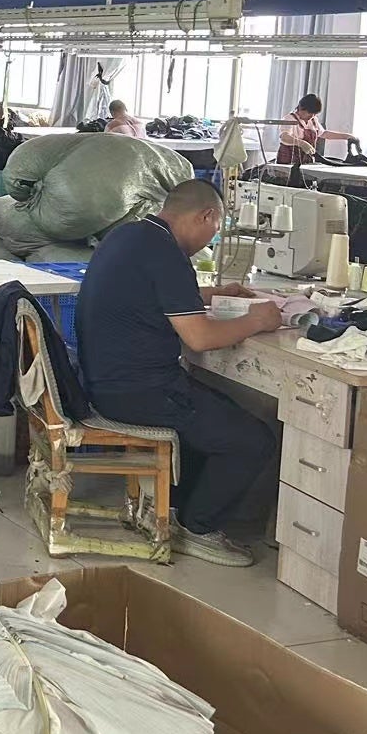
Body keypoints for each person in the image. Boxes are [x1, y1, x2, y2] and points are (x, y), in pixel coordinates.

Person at [74, 179, 282, 566]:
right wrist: (258, 319)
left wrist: (213, 294)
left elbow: (150, 294)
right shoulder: (165, 253)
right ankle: (198, 528)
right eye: (214, 229)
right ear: (206, 215)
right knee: (253, 440)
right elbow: (200, 338)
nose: (210, 239)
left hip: (105, 381)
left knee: (219, 413)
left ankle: (179, 514)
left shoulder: (131, 236)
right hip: (138, 392)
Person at [277, 93, 352, 165]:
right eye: (310, 113)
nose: (312, 116)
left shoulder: (313, 120)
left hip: (306, 162)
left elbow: (324, 134)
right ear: (301, 108)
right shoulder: (289, 119)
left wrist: (347, 136)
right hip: (288, 162)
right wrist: (302, 143)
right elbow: (284, 137)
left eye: (314, 114)